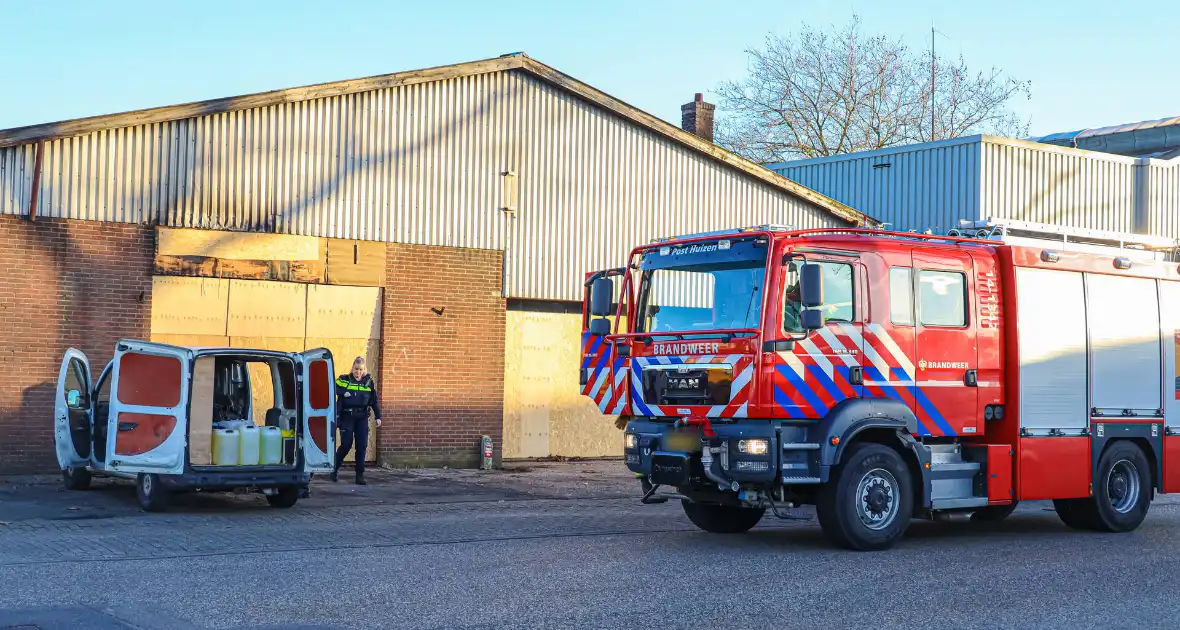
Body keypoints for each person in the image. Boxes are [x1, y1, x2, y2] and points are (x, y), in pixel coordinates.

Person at [331, 356, 382, 485]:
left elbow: (374, 401)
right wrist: (343, 393)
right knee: (346, 445)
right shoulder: (344, 380)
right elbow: (331, 388)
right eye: (356, 369)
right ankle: (334, 469)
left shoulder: (368, 382)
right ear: (352, 368)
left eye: (361, 369)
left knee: (361, 446)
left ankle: (359, 475)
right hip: (347, 417)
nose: (358, 372)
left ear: (364, 370)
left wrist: (378, 417)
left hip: (362, 418)